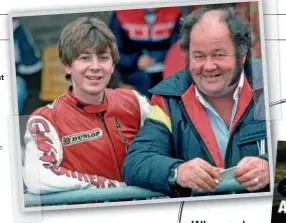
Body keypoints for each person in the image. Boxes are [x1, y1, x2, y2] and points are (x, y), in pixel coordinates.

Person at [122, 4, 269, 197]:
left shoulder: (270, 85)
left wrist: (272, 165)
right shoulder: (168, 99)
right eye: (198, 56)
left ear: (242, 56)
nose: (208, 66)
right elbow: (136, 162)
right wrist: (177, 171)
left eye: (218, 54)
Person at [23, 17, 151, 195]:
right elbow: (37, 178)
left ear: (113, 65)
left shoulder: (135, 101)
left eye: (103, 58)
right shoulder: (45, 119)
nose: (95, 67)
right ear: (67, 65)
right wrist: (112, 187)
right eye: (84, 58)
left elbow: (168, 148)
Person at [109, 7, 181, 98]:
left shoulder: (174, 12)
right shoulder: (121, 14)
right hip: (133, 70)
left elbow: (177, 49)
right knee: (145, 80)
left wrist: (160, 57)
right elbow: (113, 53)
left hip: (165, 66)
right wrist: (136, 61)